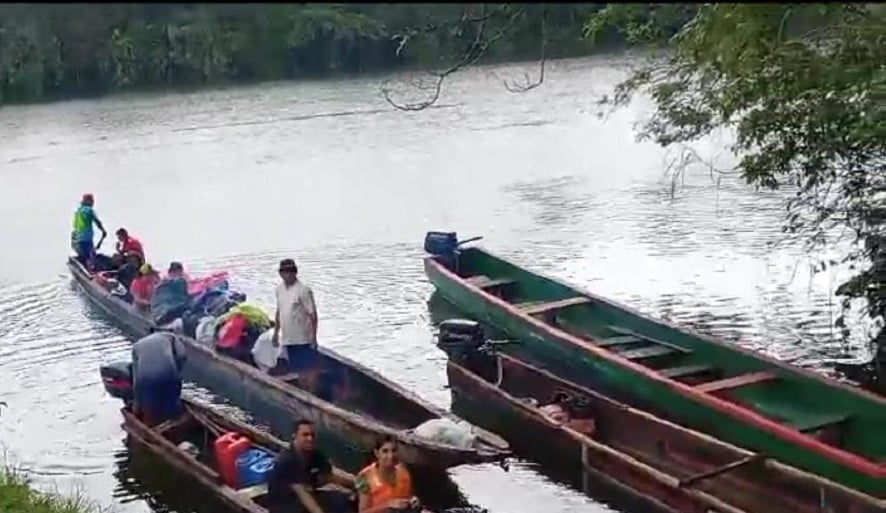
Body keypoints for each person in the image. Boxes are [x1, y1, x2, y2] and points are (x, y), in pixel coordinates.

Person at [267, 419, 355, 513]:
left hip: (304, 497)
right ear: (295, 436)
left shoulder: (315, 454)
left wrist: (357, 485)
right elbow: (303, 494)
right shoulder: (288, 460)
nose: (310, 438)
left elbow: (329, 476)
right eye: (305, 435)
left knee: (338, 499)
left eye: (312, 435)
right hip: (284, 504)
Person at [272, 259, 320, 385]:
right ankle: (305, 391)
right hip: (289, 338)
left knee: (309, 369)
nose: (288, 274)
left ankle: (311, 395)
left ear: (295, 272)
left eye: (291, 271)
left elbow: (312, 315)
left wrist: (313, 337)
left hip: (303, 338)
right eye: (285, 272)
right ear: (281, 274)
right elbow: (279, 312)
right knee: (298, 370)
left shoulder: (303, 290)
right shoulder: (279, 290)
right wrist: (276, 333)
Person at [356, 436, 427, 513]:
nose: (391, 456)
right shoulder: (365, 476)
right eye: (385, 451)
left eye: (394, 450)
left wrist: (413, 500)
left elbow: (408, 496)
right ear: (377, 453)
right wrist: (388, 506)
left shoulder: (403, 471)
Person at [131, 331, 186, 426]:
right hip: (168, 371)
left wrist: (137, 402)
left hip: (146, 377)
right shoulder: (171, 337)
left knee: (150, 406)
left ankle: (151, 425)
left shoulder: (136, 346)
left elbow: (136, 377)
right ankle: (175, 420)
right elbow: (182, 355)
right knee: (172, 400)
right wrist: (176, 371)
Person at [71, 193, 107, 268]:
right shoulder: (89, 210)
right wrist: (103, 230)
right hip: (86, 238)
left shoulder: (78, 211)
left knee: (85, 256)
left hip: (77, 238)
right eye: (92, 201)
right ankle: (92, 271)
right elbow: (97, 221)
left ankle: (86, 267)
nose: (93, 203)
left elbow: (75, 225)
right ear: (88, 201)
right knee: (91, 257)